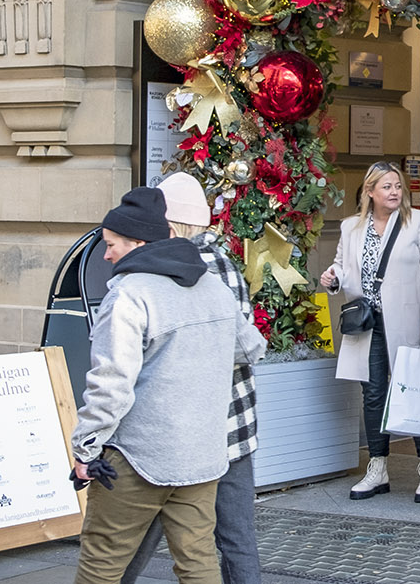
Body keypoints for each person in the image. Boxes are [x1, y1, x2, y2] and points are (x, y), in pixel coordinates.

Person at [70, 187, 267, 584]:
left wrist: (85, 448)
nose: (106, 255)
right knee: (198, 563)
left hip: (138, 456)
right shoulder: (212, 286)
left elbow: (111, 385)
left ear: (138, 243)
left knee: (101, 565)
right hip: (203, 455)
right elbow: (253, 348)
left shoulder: (128, 294)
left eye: (111, 245)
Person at [321, 162, 420, 503]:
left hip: (409, 320)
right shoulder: (351, 227)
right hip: (368, 323)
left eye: (398, 186)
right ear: (370, 192)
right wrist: (333, 278)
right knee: (373, 395)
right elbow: (343, 267)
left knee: (414, 390)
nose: (394, 192)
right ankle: (378, 468)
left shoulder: (416, 221)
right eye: (386, 187)